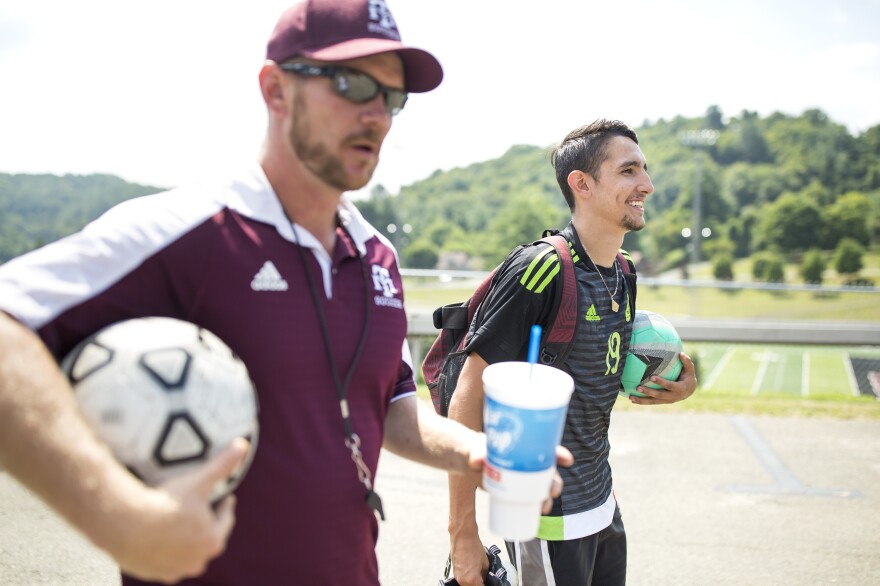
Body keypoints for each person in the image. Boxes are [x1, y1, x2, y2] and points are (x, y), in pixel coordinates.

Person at [0, 1, 571, 584]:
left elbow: (392, 412)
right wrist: (119, 516)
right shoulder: (191, 230)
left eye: (392, 98)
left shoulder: (377, 256)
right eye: (351, 83)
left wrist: (476, 451)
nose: (376, 114)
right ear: (275, 89)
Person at [446, 119, 698, 586]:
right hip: (543, 516)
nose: (647, 184)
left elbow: (592, 379)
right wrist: (463, 533)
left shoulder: (623, 272)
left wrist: (677, 385)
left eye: (644, 169)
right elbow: (467, 391)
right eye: (628, 171)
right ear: (581, 184)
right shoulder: (540, 268)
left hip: (602, 502)